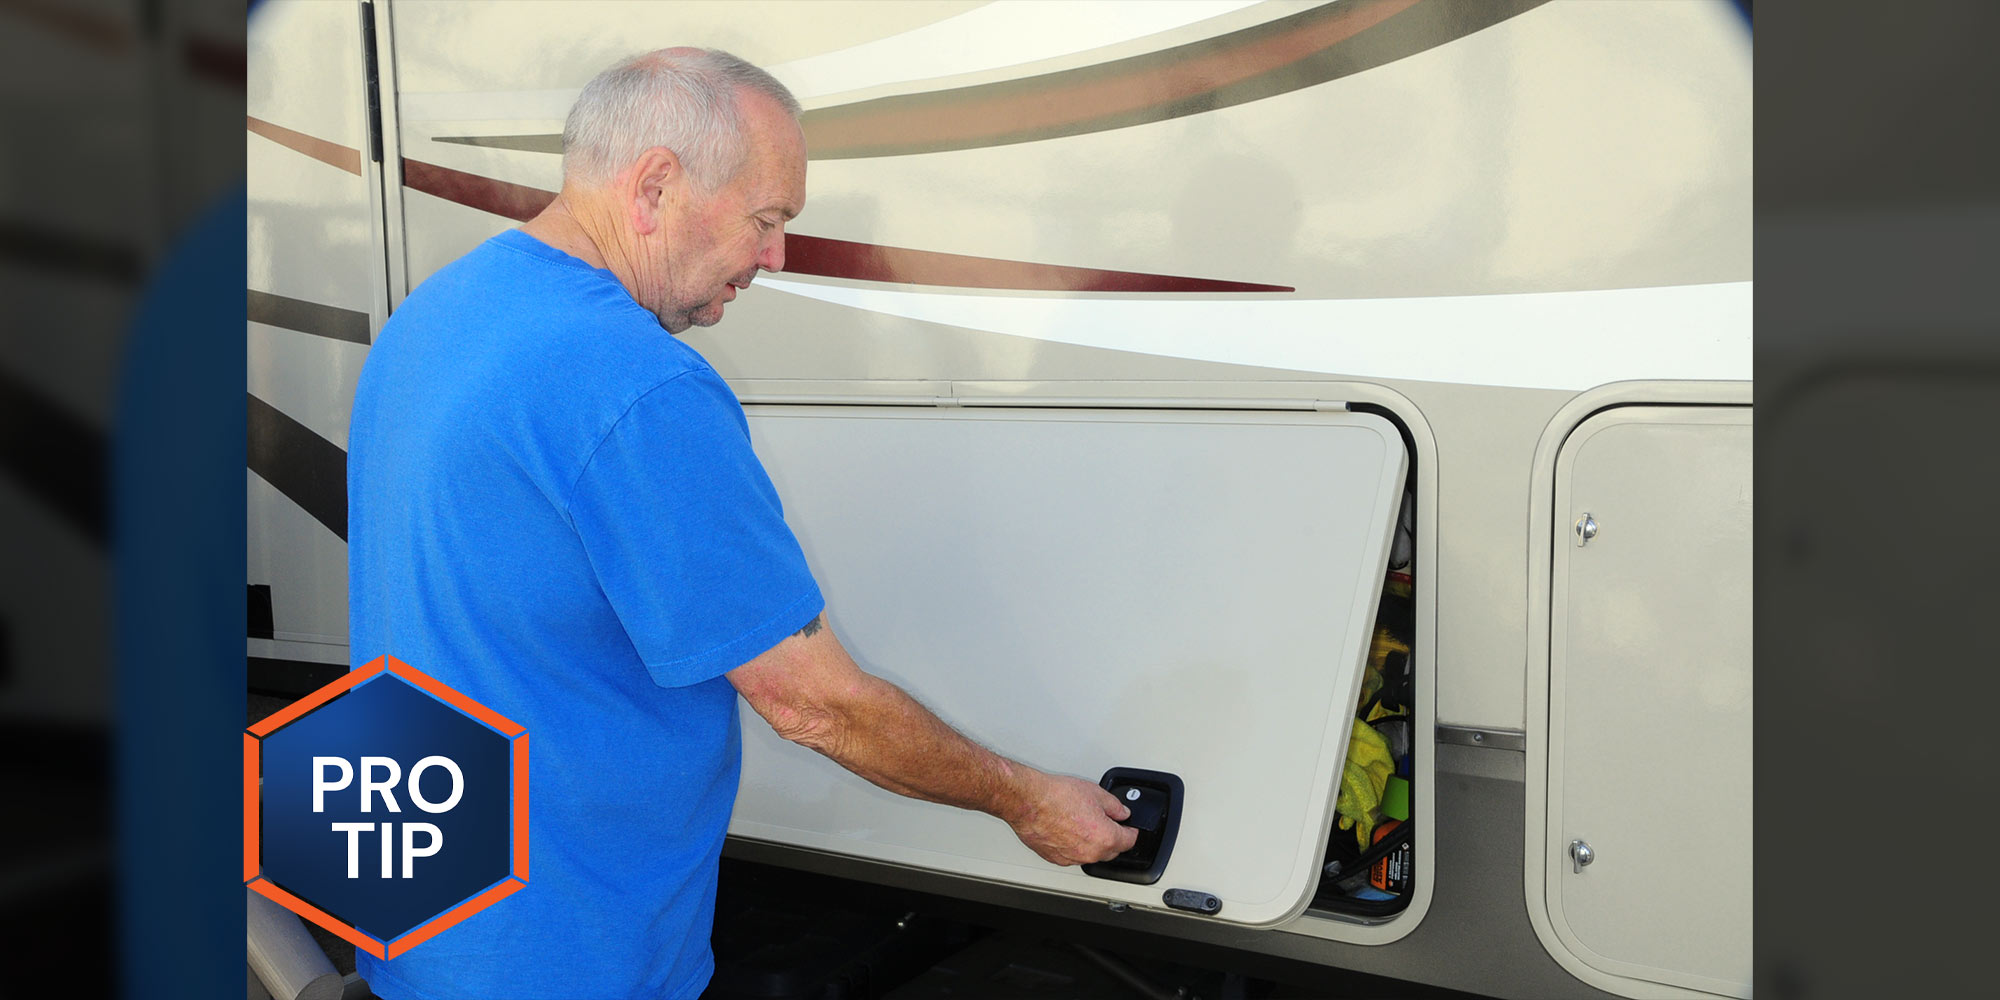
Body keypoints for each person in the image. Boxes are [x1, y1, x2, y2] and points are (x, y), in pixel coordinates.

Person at [346, 47, 1137, 1000]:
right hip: (569, 957)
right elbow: (811, 702)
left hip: (418, 930)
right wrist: (1024, 800)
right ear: (654, 186)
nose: (776, 258)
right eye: (767, 220)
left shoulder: (433, 318)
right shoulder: (635, 383)